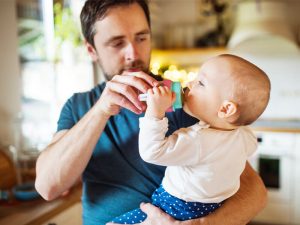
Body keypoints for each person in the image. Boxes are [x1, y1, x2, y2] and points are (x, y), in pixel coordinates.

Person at [34, 1, 268, 225]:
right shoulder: (78, 106)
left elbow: (254, 192)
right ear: (91, 50)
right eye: (117, 43)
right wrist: (101, 110)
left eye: (141, 37)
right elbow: (48, 187)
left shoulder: (187, 101)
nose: (133, 53)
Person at [110, 54, 271, 224]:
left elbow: (151, 152)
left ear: (225, 109)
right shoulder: (244, 136)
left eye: (200, 83)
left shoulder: (198, 141)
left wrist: (155, 112)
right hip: (212, 207)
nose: (189, 84)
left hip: (176, 208)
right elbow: (251, 147)